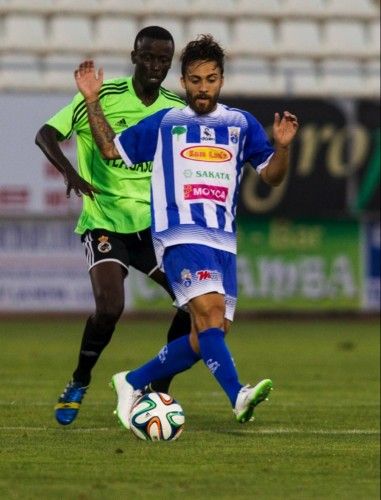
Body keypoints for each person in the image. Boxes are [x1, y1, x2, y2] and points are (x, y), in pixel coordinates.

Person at [74, 35, 299, 428]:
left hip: (223, 242)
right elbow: (111, 149)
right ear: (183, 81)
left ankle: (133, 380)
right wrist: (92, 100)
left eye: (210, 79)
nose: (202, 88)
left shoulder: (240, 124)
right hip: (179, 234)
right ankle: (238, 396)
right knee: (209, 316)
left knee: (210, 334)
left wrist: (281, 148)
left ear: (221, 80)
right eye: (195, 80)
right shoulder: (167, 122)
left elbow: (273, 178)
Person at [35, 26, 192, 426]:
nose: (156, 65)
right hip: (104, 220)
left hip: (153, 227)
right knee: (110, 307)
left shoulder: (176, 106)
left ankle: (158, 386)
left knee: (195, 305)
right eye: (149, 57)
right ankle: (80, 379)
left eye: (164, 60)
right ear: (135, 56)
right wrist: (70, 173)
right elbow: (45, 135)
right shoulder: (100, 96)